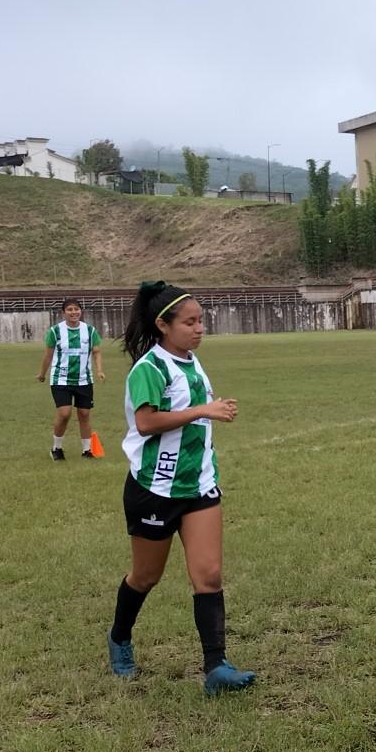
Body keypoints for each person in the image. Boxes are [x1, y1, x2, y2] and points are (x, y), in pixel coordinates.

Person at [107, 281, 256, 696]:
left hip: (199, 484)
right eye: (189, 322)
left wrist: (209, 413)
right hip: (154, 489)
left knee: (208, 575)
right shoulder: (148, 370)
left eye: (201, 320)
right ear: (162, 325)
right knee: (145, 576)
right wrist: (204, 410)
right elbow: (147, 423)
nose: (199, 328)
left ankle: (216, 667)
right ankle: (120, 637)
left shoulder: (191, 362)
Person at [36, 298, 104, 460]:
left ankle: (87, 450)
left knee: (84, 413)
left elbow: (96, 352)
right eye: (70, 309)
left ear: (81, 311)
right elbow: (48, 354)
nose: (74, 312)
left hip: (84, 379)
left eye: (76, 309)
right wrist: (42, 374)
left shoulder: (90, 330)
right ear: (63, 312)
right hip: (61, 379)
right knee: (65, 413)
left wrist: (100, 370)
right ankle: (56, 448)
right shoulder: (55, 331)